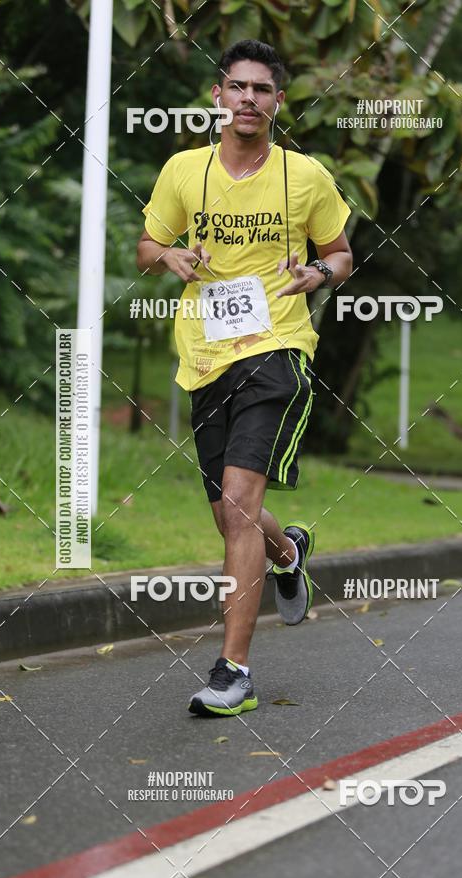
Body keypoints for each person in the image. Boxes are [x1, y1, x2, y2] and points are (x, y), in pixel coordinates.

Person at [136, 40, 353, 713]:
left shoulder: (305, 177)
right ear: (218, 96)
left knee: (237, 505)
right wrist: (170, 256)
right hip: (205, 356)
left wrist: (317, 274)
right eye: (239, 87)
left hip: (278, 349)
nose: (249, 99)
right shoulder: (183, 171)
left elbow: (342, 254)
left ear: (278, 102)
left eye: (263, 89)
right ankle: (288, 554)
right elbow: (147, 247)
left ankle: (234, 671)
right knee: (232, 516)